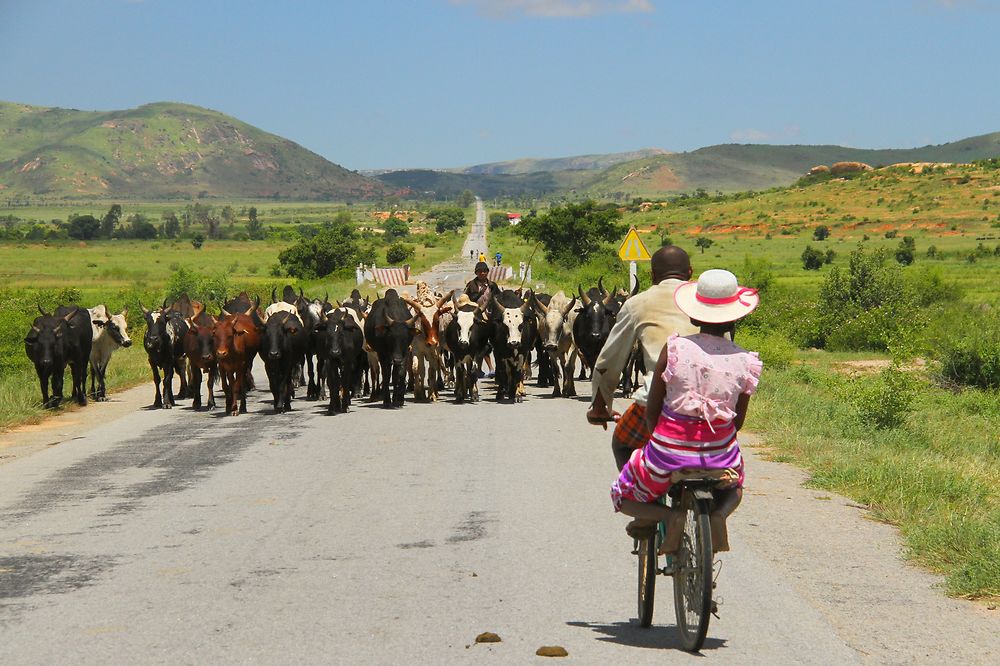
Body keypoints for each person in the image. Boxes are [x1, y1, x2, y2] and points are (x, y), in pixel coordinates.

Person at [608, 269, 762, 554]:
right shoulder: (746, 360)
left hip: (668, 454)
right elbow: (737, 422)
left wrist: (659, 440)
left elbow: (653, 407)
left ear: (693, 314)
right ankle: (719, 515)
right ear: (737, 316)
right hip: (720, 456)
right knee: (736, 486)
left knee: (622, 493)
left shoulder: (675, 348)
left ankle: (667, 516)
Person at [587, 245, 698, 471]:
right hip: (714, 404)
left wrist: (600, 406)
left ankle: (640, 494)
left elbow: (609, 360)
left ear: (653, 275)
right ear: (690, 272)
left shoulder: (637, 303)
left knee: (621, 444)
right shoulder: (710, 303)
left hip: (659, 401)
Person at [464, 261, 498, 377]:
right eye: (480, 271)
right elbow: (465, 299)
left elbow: (499, 297)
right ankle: (487, 368)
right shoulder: (471, 285)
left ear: (488, 272)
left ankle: (486, 368)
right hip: (476, 317)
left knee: (493, 342)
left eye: (485, 271)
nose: (482, 273)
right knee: (480, 343)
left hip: (491, 316)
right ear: (476, 273)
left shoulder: (493, 285)